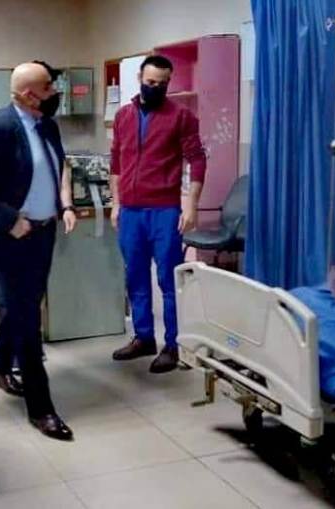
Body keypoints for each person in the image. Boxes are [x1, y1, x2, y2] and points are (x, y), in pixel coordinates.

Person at [0, 62, 77, 441]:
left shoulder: (47, 126)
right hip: (12, 237)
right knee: (27, 320)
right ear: (29, 95)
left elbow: (59, 168)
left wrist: (65, 205)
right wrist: (9, 219)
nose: (55, 92)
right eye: (49, 87)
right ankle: (41, 408)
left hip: (43, 233)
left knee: (23, 307)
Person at [109, 55, 207, 373]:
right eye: (151, 82)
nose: (156, 88)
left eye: (163, 84)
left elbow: (197, 160)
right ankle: (143, 337)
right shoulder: (123, 116)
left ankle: (174, 344)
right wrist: (116, 203)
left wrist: (191, 204)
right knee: (135, 275)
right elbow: (116, 162)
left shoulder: (181, 116)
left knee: (168, 278)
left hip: (164, 210)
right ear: (140, 78)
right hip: (131, 211)